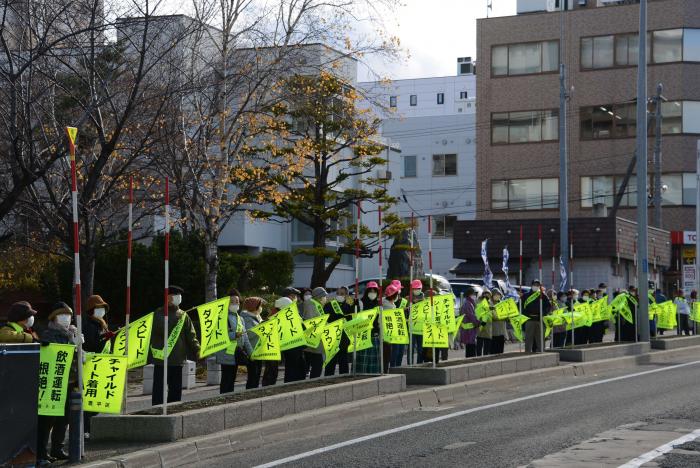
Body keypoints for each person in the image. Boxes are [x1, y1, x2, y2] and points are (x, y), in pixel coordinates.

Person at [37, 302, 81, 464]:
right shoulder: (49, 334)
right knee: (48, 419)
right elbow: (56, 353)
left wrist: (79, 346)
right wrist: (72, 344)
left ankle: (58, 448)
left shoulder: (73, 333)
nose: (66, 319)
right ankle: (41, 452)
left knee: (64, 418)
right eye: (62, 315)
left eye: (69, 315)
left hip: (70, 381)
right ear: (54, 318)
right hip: (54, 383)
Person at [150, 285, 201, 405]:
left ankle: (173, 409)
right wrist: (174, 321)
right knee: (159, 389)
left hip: (178, 359)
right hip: (161, 359)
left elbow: (191, 335)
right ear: (168, 298)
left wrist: (197, 349)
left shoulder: (183, 315)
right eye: (176, 296)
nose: (179, 298)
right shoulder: (158, 313)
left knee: (176, 389)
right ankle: (156, 411)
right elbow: (159, 329)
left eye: (180, 296)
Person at [214, 289, 252, 394]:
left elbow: (246, 339)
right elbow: (219, 336)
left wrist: (251, 353)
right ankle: (223, 401)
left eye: (237, 301)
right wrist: (233, 335)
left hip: (236, 353)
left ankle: (229, 399)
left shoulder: (241, 319)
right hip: (226, 353)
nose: (235, 304)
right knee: (226, 379)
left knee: (232, 379)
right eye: (232, 302)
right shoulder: (221, 317)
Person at [279, 289, 306, 383]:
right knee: (292, 369)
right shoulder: (283, 309)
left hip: (297, 343)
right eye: (295, 296)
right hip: (291, 344)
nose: (297, 298)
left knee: (300, 367)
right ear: (289, 296)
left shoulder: (293, 308)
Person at [325, 287, 353, 376]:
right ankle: (328, 378)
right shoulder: (329, 305)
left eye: (342, 294)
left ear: (346, 296)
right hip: (332, 336)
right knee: (331, 359)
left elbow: (352, 319)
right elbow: (326, 318)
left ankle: (344, 377)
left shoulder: (349, 306)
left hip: (344, 337)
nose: (339, 296)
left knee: (343, 359)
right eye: (338, 294)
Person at [302, 288, 327, 379]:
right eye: (324, 296)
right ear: (319, 296)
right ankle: (312, 382)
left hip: (316, 339)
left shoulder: (317, 305)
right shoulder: (311, 304)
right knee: (317, 363)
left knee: (317, 363)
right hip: (313, 339)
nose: (325, 298)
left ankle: (313, 380)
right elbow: (311, 321)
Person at [356, 282, 381, 373]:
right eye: (370, 291)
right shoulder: (360, 303)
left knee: (373, 360)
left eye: (374, 291)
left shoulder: (378, 305)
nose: (372, 293)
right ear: (366, 292)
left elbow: (379, 322)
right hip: (363, 335)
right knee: (363, 360)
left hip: (374, 335)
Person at [241, 296, 266, 388]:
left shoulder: (257, 317)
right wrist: (260, 328)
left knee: (257, 373)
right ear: (254, 307)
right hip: (251, 350)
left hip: (258, 350)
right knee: (253, 374)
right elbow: (247, 334)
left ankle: (255, 390)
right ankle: (250, 391)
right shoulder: (247, 318)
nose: (261, 307)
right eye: (260, 305)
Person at [523, 279, 551, 353]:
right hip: (529, 320)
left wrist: (543, 314)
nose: (536, 286)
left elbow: (548, 306)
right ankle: (527, 353)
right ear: (531, 285)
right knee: (528, 338)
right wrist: (525, 316)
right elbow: (521, 307)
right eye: (534, 285)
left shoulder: (542, 295)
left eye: (537, 285)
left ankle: (541, 353)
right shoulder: (525, 295)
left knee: (540, 339)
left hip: (539, 320)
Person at [382, 284, 401, 371]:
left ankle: (385, 369)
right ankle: (385, 371)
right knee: (386, 355)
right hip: (386, 335)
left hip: (386, 334)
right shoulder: (389, 307)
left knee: (386, 355)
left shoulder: (385, 303)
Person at [460, 287, 480, 357]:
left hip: (470, 331)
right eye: (474, 294)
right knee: (471, 351)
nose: (475, 296)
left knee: (470, 349)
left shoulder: (469, 303)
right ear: (469, 295)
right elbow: (471, 316)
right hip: (469, 331)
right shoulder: (468, 304)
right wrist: (478, 322)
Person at [489, 289, 506, 355]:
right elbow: (493, 317)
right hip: (493, 332)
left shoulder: (502, 304)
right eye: (495, 294)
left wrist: (504, 317)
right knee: (493, 351)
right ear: (492, 295)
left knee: (500, 351)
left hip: (501, 331)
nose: (497, 296)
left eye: (498, 294)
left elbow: (506, 315)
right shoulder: (490, 304)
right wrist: (502, 317)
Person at [475, 291, 492, 356]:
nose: (487, 295)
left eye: (488, 294)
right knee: (479, 343)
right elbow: (477, 312)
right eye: (485, 294)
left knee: (487, 344)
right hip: (481, 325)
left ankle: (486, 356)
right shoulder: (478, 302)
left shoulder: (490, 303)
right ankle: (478, 357)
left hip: (488, 326)